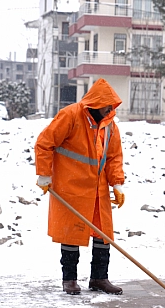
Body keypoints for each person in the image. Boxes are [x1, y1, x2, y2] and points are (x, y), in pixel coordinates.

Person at [34, 78, 126, 295]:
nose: (109, 111)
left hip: (98, 190)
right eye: (106, 107)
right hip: (70, 187)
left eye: (111, 107)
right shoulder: (71, 115)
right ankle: (70, 279)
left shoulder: (110, 126)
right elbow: (44, 143)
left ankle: (99, 278)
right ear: (95, 104)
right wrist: (44, 175)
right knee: (71, 233)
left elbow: (113, 157)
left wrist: (117, 184)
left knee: (103, 233)